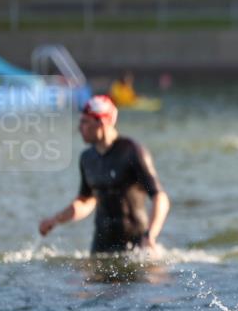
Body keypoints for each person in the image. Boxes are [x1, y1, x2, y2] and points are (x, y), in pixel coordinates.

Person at [39, 95, 170, 254]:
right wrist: (55, 220)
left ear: (102, 122)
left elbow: (160, 197)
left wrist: (150, 234)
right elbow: (86, 201)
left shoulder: (132, 151)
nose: (79, 128)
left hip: (136, 246)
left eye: (85, 122)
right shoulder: (87, 158)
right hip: (101, 247)